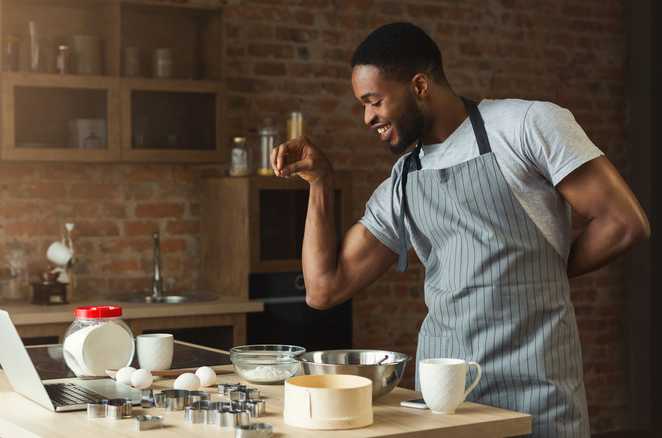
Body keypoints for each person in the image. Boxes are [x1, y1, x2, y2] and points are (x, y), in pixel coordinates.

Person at [270, 22, 650, 437]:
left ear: (419, 86)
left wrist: (542, 271)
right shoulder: (403, 181)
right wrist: (321, 181)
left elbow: (623, 224)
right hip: (445, 406)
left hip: (536, 395)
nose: (367, 117)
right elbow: (324, 288)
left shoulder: (525, 125)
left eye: (374, 101)